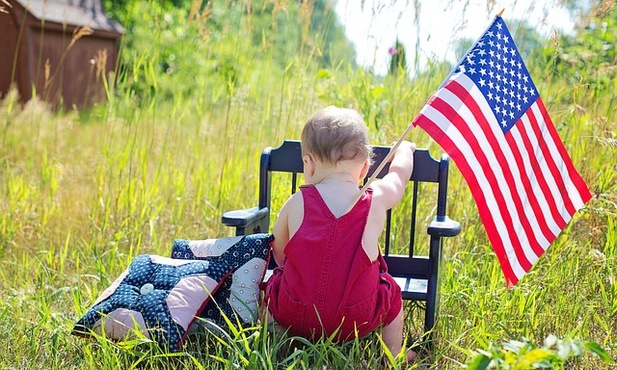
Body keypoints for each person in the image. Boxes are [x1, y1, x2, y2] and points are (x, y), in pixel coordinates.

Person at [263, 106, 416, 363]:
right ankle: (393, 354)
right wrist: (404, 150)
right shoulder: (375, 198)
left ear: (308, 165)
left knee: (271, 287)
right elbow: (398, 178)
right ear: (365, 168)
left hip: (296, 313)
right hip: (358, 318)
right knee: (391, 293)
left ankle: (275, 343)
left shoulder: (296, 202)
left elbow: (278, 252)